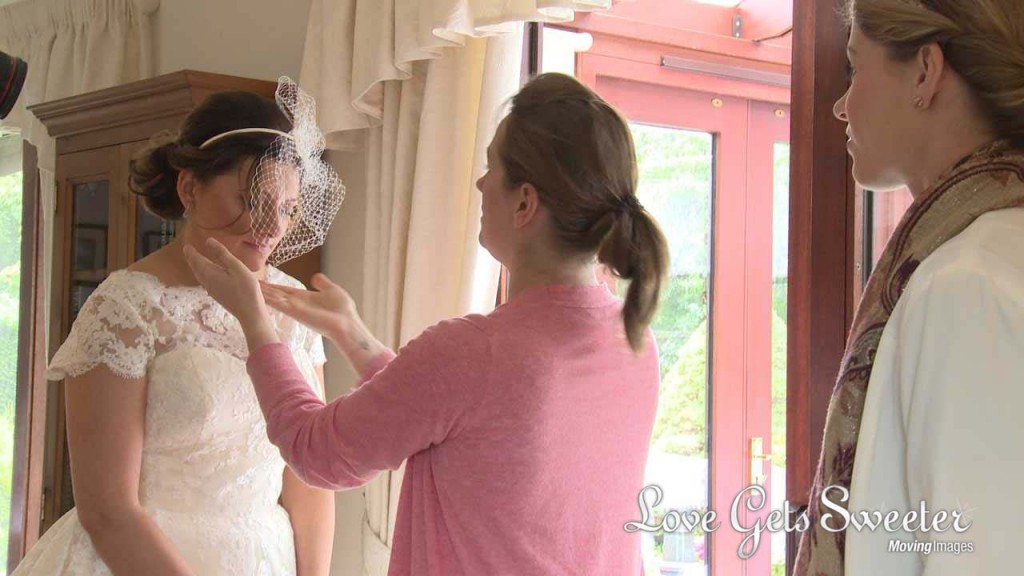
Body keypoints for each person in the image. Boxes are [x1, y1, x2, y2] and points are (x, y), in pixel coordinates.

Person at [185, 72, 669, 575]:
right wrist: (354, 335)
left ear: (525, 202)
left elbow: (316, 452)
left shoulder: (476, 353)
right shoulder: (634, 339)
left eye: (491, 166)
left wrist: (256, 324)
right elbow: (465, 418)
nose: (481, 183)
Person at [14, 78, 342, 575]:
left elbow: (310, 475)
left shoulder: (295, 306)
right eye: (252, 199)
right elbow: (107, 509)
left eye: (287, 208)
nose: (272, 226)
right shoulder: (126, 308)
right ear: (190, 187)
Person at [796, 0, 1024, 574]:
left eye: (854, 66)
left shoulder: (964, 286)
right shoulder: (986, 253)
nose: (841, 106)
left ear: (925, 71)